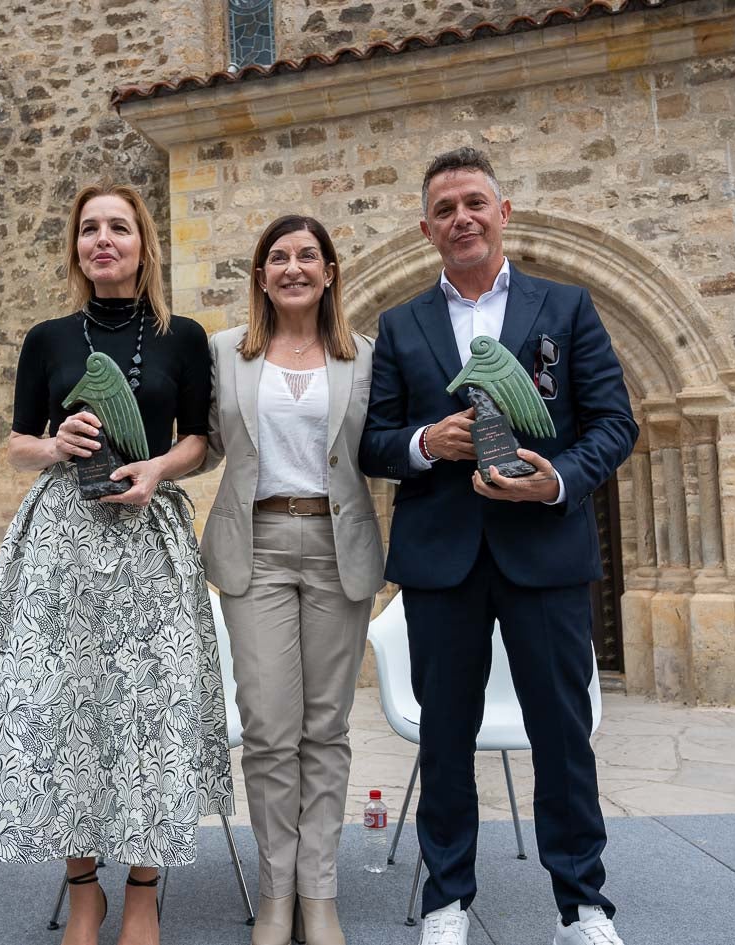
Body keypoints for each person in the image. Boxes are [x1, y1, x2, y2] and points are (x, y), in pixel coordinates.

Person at [0, 182, 234, 945]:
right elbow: (14, 442)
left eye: (119, 228)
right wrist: (53, 443)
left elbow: (199, 440)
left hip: (147, 535)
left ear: (143, 244)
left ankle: (141, 889)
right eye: (89, 229)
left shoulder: (183, 336)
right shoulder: (47, 337)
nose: (103, 240)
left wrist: (157, 470)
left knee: (144, 711)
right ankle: (82, 890)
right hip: (61, 542)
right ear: (76, 246)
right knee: (64, 708)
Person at [358, 147, 638, 945]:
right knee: (444, 738)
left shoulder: (567, 307)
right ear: (425, 228)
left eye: (474, 202)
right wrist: (424, 441)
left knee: (561, 735)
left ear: (502, 212)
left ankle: (582, 907)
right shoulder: (400, 323)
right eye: (444, 209)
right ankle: (447, 902)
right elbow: (374, 442)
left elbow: (615, 424)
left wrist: (555, 480)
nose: (461, 219)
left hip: (545, 552)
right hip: (440, 562)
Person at [202, 215, 385, 945]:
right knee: (272, 731)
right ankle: (277, 892)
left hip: (338, 546)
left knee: (326, 729)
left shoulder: (365, 356)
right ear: (259, 275)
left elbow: (392, 444)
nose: (292, 267)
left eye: (307, 255)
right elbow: (198, 443)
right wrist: (137, 459)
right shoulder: (224, 353)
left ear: (329, 270)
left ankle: (321, 892)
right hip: (257, 543)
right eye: (277, 257)